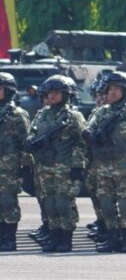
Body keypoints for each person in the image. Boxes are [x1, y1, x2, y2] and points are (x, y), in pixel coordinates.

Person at [83, 71, 126, 254]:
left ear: (125, 91)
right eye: (109, 89)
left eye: (116, 89)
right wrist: (92, 136)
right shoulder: (101, 112)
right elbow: (89, 130)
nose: (112, 92)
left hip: (125, 167)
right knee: (107, 205)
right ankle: (112, 239)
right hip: (103, 167)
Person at [26, 75, 87, 253]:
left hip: (65, 166)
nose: (51, 96)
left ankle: (65, 239)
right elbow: (33, 132)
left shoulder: (73, 116)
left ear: (65, 95)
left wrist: (77, 166)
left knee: (63, 203)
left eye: (56, 93)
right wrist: (31, 142)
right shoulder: (42, 114)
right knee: (49, 203)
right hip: (45, 166)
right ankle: (53, 237)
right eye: (49, 93)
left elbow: (80, 142)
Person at [0, 72, 31, 251]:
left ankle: (9, 238)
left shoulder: (17, 114)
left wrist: (26, 166)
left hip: (9, 166)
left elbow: (26, 143)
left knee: (8, 202)